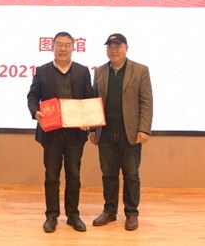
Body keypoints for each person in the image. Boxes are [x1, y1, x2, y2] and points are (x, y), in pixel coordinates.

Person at [27, 31, 95, 233]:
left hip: (75, 134)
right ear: (53, 47)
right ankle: (51, 215)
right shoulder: (42, 71)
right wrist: (36, 112)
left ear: (73, 48)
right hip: (51, 133)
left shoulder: (83, 71)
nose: (63, 49)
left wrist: (88, 121)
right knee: (51, 176)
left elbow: (89, 99)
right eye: (59, 44)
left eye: (67, 45)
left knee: (74, 175)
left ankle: (73, 215)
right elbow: (32, 97)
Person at [90, 33, 153, 231]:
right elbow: (94, 102)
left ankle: (132, 213)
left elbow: (146, 102)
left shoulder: (140, 70)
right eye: (110, 47)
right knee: (108, 174)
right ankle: (109, 211)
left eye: (118, 46)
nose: (113, 50)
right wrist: (92, 128)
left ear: (126, 48)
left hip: (130, 132)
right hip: (106, 132)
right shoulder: (99, 71)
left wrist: (144, 129)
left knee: (131, 174)